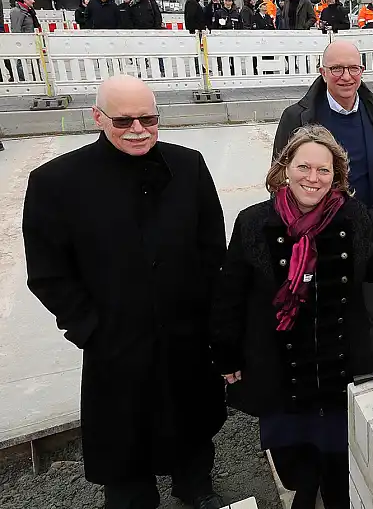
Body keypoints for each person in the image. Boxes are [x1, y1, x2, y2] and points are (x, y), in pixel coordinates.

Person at [22, 75, 227, 509]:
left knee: (191, 423)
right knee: (124, 435)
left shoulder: (189, 166)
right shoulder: (55, 182)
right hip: (114, 341)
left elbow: (212, 252)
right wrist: (91, 330)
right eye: (123, 120)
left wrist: (210, 321)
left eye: (148, 119)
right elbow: (48, 273)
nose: (138, 129)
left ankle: (195, 487)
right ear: (97, 118)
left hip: (185, 336)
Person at [211, 125, 373, 509]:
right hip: (279, 361)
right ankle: (304, 487)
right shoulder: (253, 222)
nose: (312, 179)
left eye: (323, 171)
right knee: (292, 458)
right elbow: (230, 292)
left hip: (338, 360)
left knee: (338, 455)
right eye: (304, 167)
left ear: (337, 177)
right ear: (285, 168)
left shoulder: (355, 217)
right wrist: (226, 353)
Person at [272, 41, 373, 369]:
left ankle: (371, 393)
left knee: (371, 323)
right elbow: (280, 182)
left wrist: (371, 220)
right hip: (315, 244)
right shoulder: (297, 117)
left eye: (354, 68)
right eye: (336, 68)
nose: (346, 76)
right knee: (320, 325)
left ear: (363, 72)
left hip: (372, 241)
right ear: (322, 72)